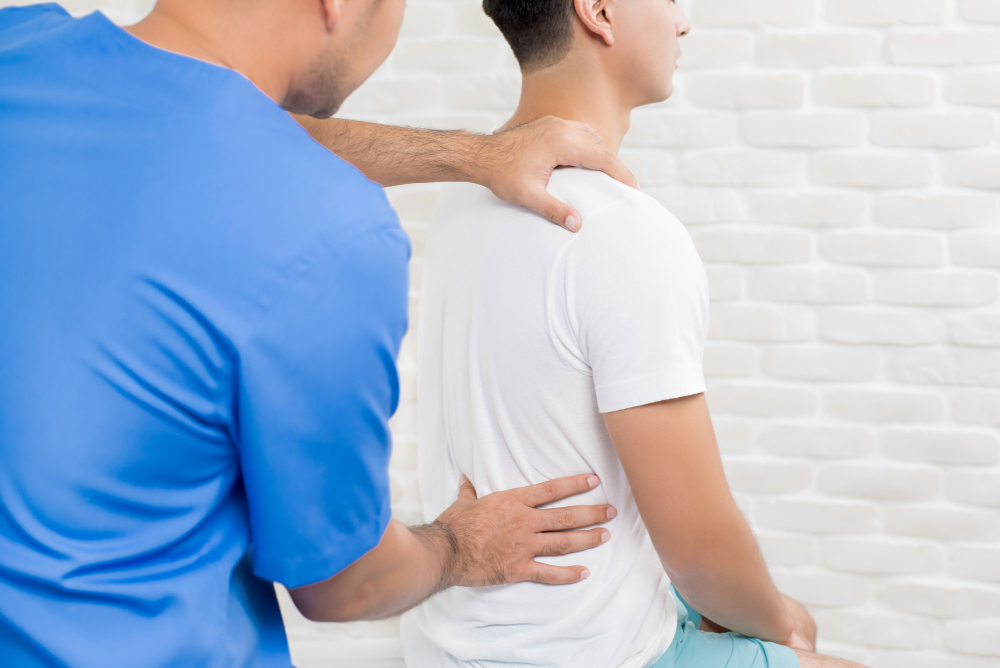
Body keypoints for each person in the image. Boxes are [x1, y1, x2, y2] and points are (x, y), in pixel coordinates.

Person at [0, 0, 638, 665]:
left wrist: (472, 155)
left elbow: (195, 122)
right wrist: (463, 544)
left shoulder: (17, 47)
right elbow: (345, 587)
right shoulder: (331, 235)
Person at [401, 1, 870, 667]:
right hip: (592, 656)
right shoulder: (616, 229)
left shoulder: (465, 200)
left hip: (452, 648)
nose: (684, 23)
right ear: (599, 11)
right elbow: (700, 554)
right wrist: (781, 622)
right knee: (798, 632)